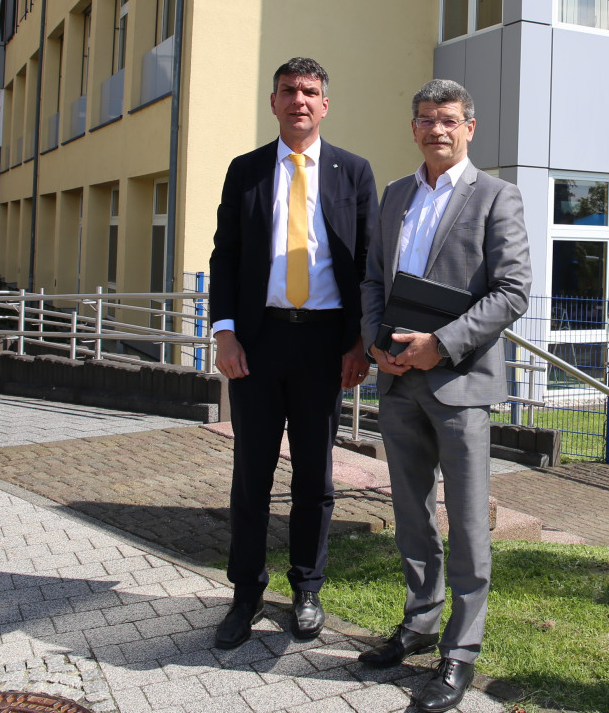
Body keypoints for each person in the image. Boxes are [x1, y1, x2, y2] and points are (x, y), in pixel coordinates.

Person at [358, 79, 531, 713]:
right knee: (411, 513)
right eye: (427, 119)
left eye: (449, 119)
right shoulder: (395, 195)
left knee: (466, 521)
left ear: (469, 127)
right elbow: (372, 279)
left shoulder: (496, 196)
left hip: (459, 383)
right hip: (397, 379)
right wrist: (373, 340)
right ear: (413, 127)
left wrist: (442, 343)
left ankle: (460, 649)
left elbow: (513, 290)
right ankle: (420, 620)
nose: (437, 129)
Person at [208, 57, 377, 649]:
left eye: (309, 91)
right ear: (273, 102)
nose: (299, 100)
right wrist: (225, 333)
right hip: (258, 342)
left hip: (325, 345)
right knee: (251, 474)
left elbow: (367, 264)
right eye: (288, 91)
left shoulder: (354, 172)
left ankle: (307, 587)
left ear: (324, 104)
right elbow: (225, 255)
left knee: (314, 474)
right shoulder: (246, 170)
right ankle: (245, 594)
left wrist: (360, 342)